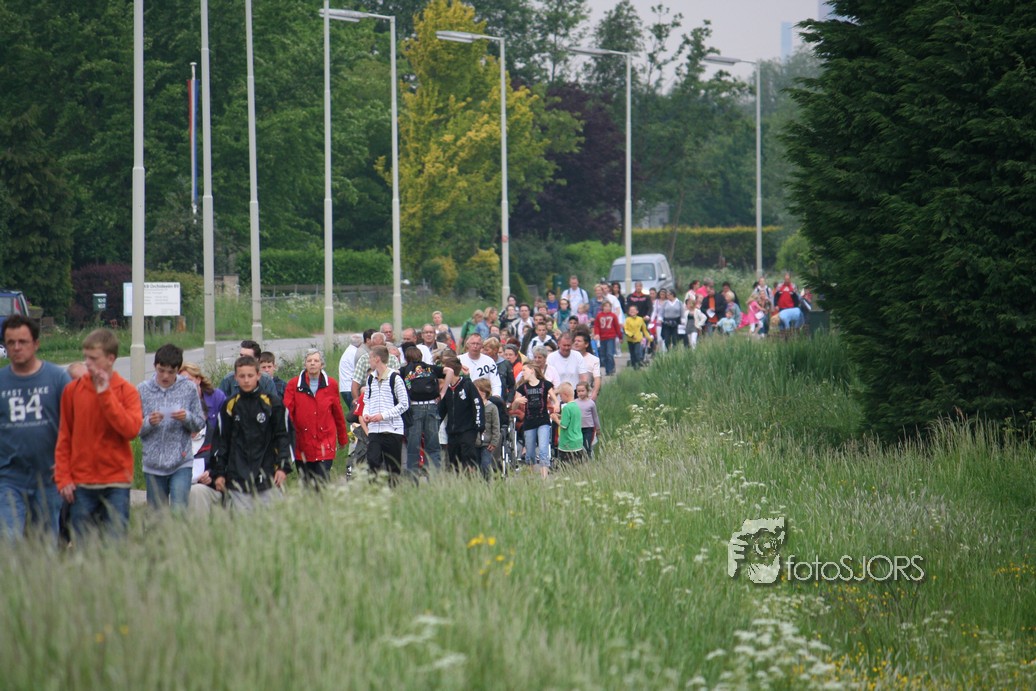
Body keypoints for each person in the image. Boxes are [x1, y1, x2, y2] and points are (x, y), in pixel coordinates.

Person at [55, 328, 143, 538]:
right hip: (82, 482)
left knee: (114, 545)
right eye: (86, 357)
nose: (87, 363)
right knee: (83, 546)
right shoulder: (73, 390)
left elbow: (130, 430)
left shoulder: (127, 391)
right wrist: (63, 477)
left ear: (110, 359)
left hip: (116, 482)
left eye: (94, 358)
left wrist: (106, 395)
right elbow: (64, 436)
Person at [0, 315, 71, 542]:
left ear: (36, 344)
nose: (16, 347)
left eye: (22, 341)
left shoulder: (57, 378)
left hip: (48, 477)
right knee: (9, 540)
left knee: (45, 544)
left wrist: (68, 463)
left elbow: (76, 424)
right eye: (11, 342)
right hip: (9, 478)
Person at [211, 356, 292, 509]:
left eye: (250, 375)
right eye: (242, 376)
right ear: (236, 377)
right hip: (237, 479)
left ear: (258, 376)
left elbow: (283, 436)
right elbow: (222, 441)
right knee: (242, 522)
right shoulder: (229, 405)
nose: (246, 380)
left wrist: (283, 467)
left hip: (268, 477)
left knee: (271, 521)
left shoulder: (272, 403)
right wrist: (219, 473)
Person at [138, 343, 205, 512]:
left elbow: (199, 423)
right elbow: (134, 428)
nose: (165, 376)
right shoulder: (143, 390)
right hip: (153, 464)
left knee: (179, 511)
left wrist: (186, 417)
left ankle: (180, 531)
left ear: (177, 370)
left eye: (171, 372)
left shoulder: (188, 388)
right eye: (161, 370)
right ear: (154, 366)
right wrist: (149, 422)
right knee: (157, 516)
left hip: (181, 462)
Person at [284, 349, 348, 487]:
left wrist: (342, 438)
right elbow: (287, 413)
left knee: (321, 481)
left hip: (325, 441)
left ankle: (323, 501)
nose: (312, 363)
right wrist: (287, 438)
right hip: (302, 442)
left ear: (322, 364)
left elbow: (338, 413)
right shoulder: (293, 384)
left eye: (316, 361)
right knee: (306, 482)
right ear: (305, 364)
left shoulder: (331, 384)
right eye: (309, 361)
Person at [361, 345, 409, 482]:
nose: (369, 361)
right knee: (372, 461)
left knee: (393, 466)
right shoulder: (370, 378)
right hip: (375, 429)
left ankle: (393, 490)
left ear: (377, 359)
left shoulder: (395, 378)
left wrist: (383, 415)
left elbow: (404, 404)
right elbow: (367, 400)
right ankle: (375, 490)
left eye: (370, 358)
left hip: (393, 429)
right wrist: (366, 414)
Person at [400, 345, 450, 474]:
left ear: (406, 358)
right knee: (433, 446)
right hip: (431, 406)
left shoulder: (404, 370)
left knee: (413, 447)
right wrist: (443, 392)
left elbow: (394, 374)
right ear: (421, 356)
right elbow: (449, 371)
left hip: (414, 407)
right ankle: (433, 478)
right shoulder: (430, 368)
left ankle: (413, 479)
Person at [438, 354, 484, 474]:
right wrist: (435, 425)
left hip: (467, 430)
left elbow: (477, 404)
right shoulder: (447, 389)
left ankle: (472, 480)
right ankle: (457, 482)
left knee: (469, 460)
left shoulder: (467, 385)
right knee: (454, 462)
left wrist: (479, 425)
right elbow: (441, 410)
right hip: (452, 432)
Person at [512, 362, 555, 479]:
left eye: (524, 370)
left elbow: (554, 399)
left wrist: (556, 404)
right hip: (529, 422)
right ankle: (531, 476)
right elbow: (513, 408)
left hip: (543, 420)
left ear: (532, 370)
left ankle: (544, 478)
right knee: (530, 452)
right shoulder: (522, 388)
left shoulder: (545, 384)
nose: (522, 373)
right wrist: (517, 401)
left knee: (543, 449)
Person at [351, 332, 401, 402]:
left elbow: (398, 382)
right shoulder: (364, 359)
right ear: (371, 346)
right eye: (376, 348)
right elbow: (355, 382)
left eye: (381, 347)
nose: (378, 351)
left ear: (385, 345)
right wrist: (356, 400)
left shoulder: (393, 359)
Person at [458, 334, 501, 398]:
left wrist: (496, 397)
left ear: (481, 346)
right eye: (473, 343)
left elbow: (496, 383)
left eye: (478, 344)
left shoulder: (489, 361)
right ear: (467, 345)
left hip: (484, 397)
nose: (475, 346)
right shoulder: (459, 360)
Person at [473, 378, 499, 480]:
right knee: (476, 465)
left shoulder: (492, 407)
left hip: (487, 443)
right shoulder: (473, 406)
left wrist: (494, 442)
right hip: (474, 441)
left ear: (483, 392)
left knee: (485, 464)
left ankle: (487, 483)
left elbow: (496, 426)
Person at [556, 383, 586, 466]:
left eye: (561, 396)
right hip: (578, 442)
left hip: (567, 443)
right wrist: (561, 416)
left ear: (565, 394)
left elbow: (564, 425)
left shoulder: (566, 408)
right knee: (577, 465)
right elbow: (572, 418)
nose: (560, 398)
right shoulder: (576, 406)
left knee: (565, 466)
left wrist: (555, 419)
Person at [592, 300, 622, 376]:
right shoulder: (599, 316)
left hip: (611, 337)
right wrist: (597, 334)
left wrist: (620, 336)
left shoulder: (613, 316)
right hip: (602, 338)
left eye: (609, 306)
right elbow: (596, 326)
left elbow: (617, 326)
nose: (607, 308)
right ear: (602, 307)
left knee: (609, 353)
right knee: (603, 355)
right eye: (605, 306)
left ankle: (610, 370)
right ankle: (608, 368)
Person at [571, 331, 601, 401]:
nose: (576, 343)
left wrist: (595, 393)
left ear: (586, 344)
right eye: (575, 341)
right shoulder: (569, 358)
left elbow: (597, 378)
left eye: (579, 341)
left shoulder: (594, 360)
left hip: (586, 395)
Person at [574, 381, 601, 457]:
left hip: (589, 428)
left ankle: (588, 459)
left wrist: (598, 428)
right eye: (579, 391)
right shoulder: (574, 403)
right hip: (577, 428)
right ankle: (579, 460)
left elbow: (595, 416)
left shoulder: (591, 403)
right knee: (579, 446)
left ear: (587, 391)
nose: (581, 393)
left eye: (582, 391)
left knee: (587, 445)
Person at [338, 333, 362, 409]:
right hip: (350, 388)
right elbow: (358, 370)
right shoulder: (355, 353)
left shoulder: (349, 351)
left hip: (344, 387)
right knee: (356, 412)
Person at [623, 305, 652, 369]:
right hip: (630, 339)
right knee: (632, 354)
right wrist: (631, 335)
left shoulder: (640, 319)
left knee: (637, 353)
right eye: (631, 310)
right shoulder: (627, 320)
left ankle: (638, 366)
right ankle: (634, 366)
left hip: (638, 339)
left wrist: (649, 337)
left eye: (634, 310)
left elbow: (644, 330)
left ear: (637, 311)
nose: (632, 311)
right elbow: (625, 329)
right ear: (629, 312)